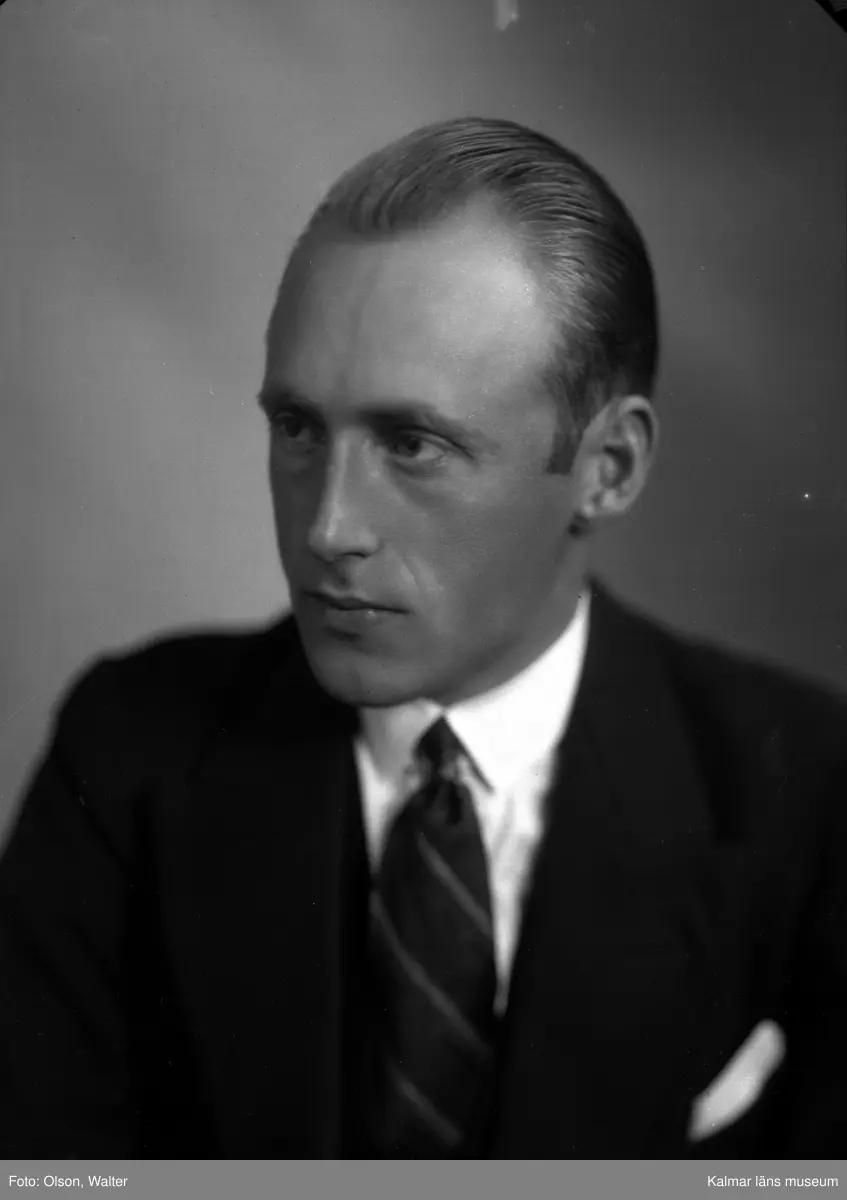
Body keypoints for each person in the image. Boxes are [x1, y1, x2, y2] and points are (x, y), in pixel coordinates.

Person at [0, 116, 845, 1160]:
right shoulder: (130, 753)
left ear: (609, 468)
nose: (328, 528)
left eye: (413, 443)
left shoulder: (807, 797)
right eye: (297, 427)